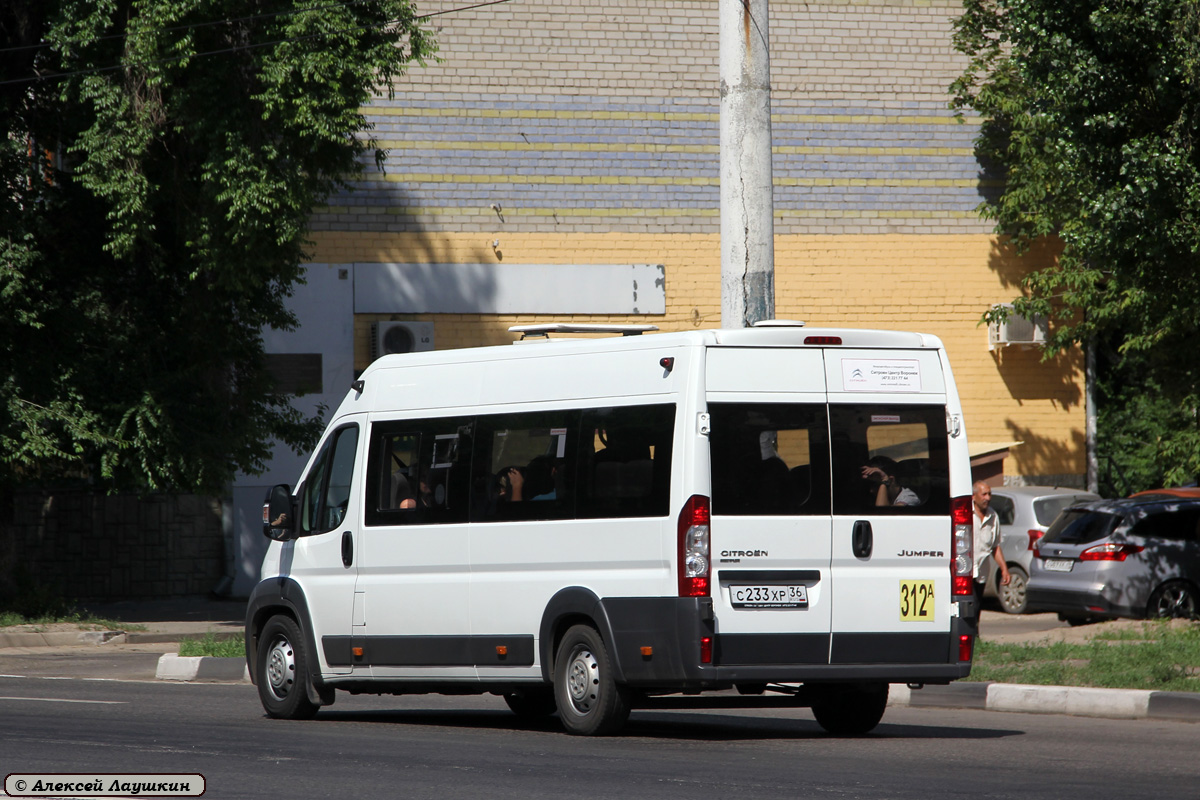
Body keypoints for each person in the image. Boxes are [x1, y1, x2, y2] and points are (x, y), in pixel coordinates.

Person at [972, 480, 1010, 613]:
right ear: (974, 496)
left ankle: (975, 634)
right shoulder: (966, 515)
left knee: (976, 608)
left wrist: (1004, 569)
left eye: (989, 494)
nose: (987, 498)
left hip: (981, 572)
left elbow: (995, 546)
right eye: (984, 494)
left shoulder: (993, 516)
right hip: (965, 573)